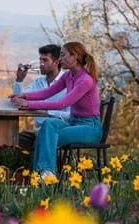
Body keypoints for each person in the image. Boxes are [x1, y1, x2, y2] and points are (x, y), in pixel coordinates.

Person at [11, 42, 102, 179]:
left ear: (75, 57)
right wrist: (24, 96)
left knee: (46, 136)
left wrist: (28, 104)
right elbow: (46, 93)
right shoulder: (68, 76)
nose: (60, 59)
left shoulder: (85, 80)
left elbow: (62, 103)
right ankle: (42, 174)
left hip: (90, 127)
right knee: (48, 125)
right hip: (73, 122)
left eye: (63, 55)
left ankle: (44, 174)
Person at [13, 44, 70, 150]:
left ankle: (43, 166)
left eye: (45, 60)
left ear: (57, 62)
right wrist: (19, 80)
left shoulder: (68, 82)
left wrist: (47, 112)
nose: (41, 64)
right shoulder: (38, 82)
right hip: (39, 131)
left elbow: (71, 115)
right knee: (14, 139)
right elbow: (18, 100)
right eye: (40, 60)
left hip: (60, 130)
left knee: (39, 140)